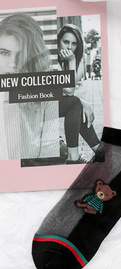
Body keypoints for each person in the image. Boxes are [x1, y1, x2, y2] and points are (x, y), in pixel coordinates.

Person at [0, 13, 59, 161]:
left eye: (21, 55)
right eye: (4, 53)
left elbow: (49, 156)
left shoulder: (47, 95)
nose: (13, 64)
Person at [57, 24, 104, 163]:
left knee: (76, 104)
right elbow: (69, 90)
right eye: (66, 42)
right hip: (32, 105)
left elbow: (65, 92)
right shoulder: (52, 60)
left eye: (74, 44)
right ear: (58, 42)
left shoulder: (64, 62)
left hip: (46, 103)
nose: (69, 47)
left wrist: (83, 103)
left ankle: (99, 150)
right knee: (74, 103)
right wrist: (72, 61)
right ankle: (74, 158)